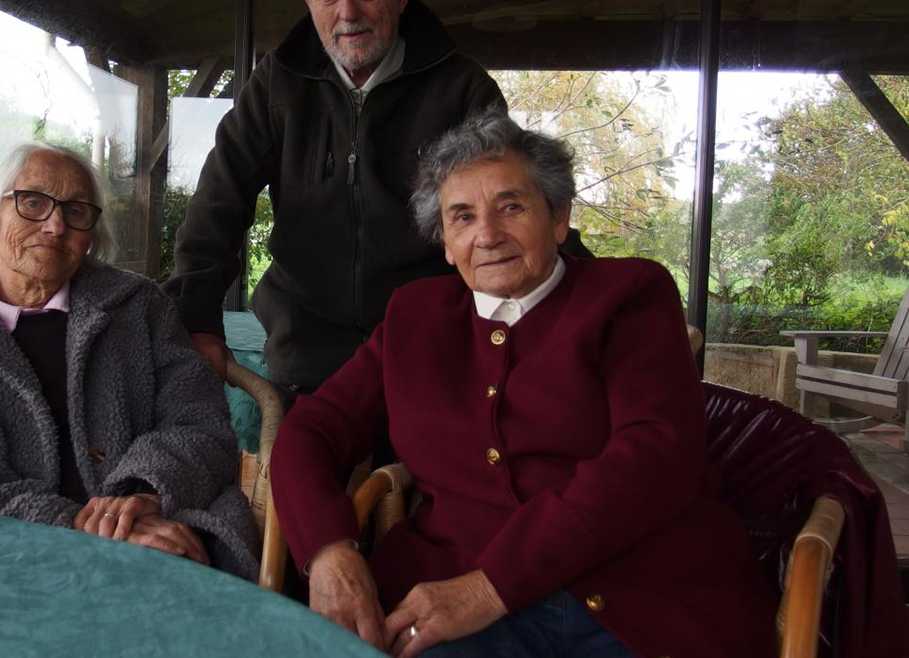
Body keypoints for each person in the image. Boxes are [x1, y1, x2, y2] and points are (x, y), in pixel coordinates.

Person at [270, 112, 776, 657]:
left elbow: (654, 456)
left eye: (511, 206)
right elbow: (313, 429)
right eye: (462, 217)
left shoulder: (630, 294)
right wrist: (330, 550)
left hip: (642, 597)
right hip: (449, 599)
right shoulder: (414, 318)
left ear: (559, 217)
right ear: (446, 243)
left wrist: (489, 588)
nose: (487, 236)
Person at [163, 0, 563, 407]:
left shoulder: (461, 88)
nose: (347, 12)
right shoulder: (276, 84)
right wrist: (197, 319)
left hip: (430, 359)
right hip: (303, 362)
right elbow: (218, 202)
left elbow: (515, 206)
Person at [0, 142, 259, 579]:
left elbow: (199, 419)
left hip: (156, 527)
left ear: (90, 237)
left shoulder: (139, 308)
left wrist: (142, 496)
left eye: (76, 212)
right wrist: (75, 524)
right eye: (33, 203)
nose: (55, 225)